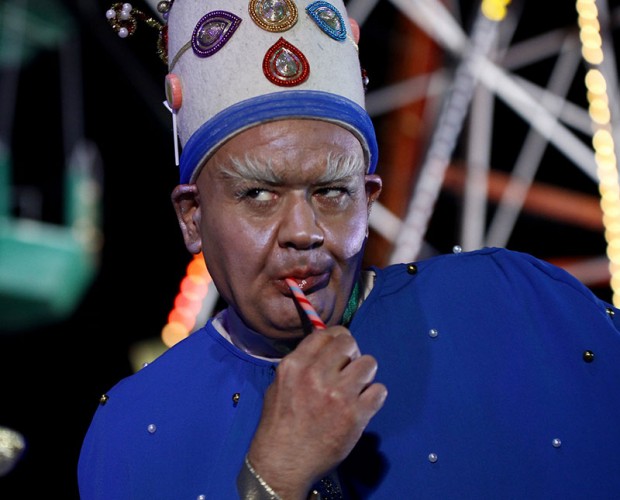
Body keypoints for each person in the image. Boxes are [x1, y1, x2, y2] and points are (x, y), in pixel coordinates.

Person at [78, 1, 620, 498]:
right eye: (259, 194)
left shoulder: (512, 303)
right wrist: (273, 478)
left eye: (332, 192)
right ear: (192, 218)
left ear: (368, 198)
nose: (304, 231)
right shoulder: (131, 432)